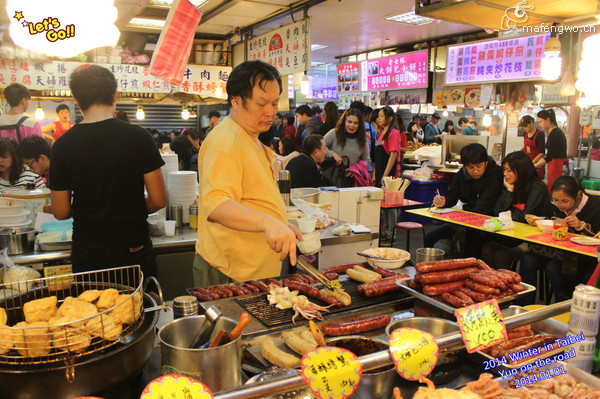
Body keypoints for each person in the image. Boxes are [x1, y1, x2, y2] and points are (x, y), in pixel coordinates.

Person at [49, 64, 167, 278]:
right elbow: (159, 200)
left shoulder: (62, 146)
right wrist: (134, 209)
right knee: (142, 309)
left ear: (76, 99)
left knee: (95, 308)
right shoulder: (139, 137)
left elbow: (61, 211)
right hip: (133, 248)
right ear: (114, 95)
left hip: (88, 252)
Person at [194, 60, 302, 286]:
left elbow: (251, 198)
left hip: (251, 272)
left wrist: (279, 223)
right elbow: (216, 205)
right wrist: (268, 223)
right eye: (261, 103)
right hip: (229, 275)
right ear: (236, 100)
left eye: (274, 103)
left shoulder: (248, 136)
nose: (270, 112)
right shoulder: (226, 142)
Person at [520, 176, 600, 303]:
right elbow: (547, 218)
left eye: (565, 201)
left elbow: (596, 234)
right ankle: (524, 306)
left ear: (578, 195)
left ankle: (561, 308)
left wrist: (581, 226)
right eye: (555, 200)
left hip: (580, 257)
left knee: (555, 268)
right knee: (528, 259)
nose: (559, 205)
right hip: (554, 250)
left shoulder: (595, 206)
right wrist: (539, 220)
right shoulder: (551, 203)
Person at [424, 143, 503, 252]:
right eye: (470, 167)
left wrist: (463, 221)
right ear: (465, 165)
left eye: (478, 166)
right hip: (466, 220)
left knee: (471, 239)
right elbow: (453, 193)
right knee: (429, 237)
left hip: (488, 223)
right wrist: (444, 200)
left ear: (486, 163)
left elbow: (485, 205)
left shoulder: (496, 174)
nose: (475, 171)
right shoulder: (463, 173)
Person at [480, 151, 549, 269]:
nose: (505, 174)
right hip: (509, 237)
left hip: (529, 240)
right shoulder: (511, 185)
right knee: (486, 250)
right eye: (504, 170)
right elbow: (497, 212)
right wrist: (509, 192)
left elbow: (524, 217)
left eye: (509, 170)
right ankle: (491, 284)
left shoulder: (537, 188)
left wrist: (508, 214)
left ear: (521, 170)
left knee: (500, 255)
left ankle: (507, 286)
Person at [534, 109, 567, 193]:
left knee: (554, 190)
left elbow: (549, 156)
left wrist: (535, 165)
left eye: (541, 122)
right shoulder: (555, 132)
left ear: (548, 120)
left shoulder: (555, 133)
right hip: (554, 165)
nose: (540, 125)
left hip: (556, 166)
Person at [373, 106, 402, 187]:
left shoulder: (393, 133)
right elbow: (377, 156)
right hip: (380, 170)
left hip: (389, 174)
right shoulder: (381, 133)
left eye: (382, 116)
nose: (379, 118)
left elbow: (393, 155)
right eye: (378, 116)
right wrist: (375, 174)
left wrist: (385, 175)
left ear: (390, 118)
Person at [519, 115, 545, 179]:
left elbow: (542, 153)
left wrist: (532, 163)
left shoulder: (540, 134)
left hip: (537, 164)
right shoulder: (525, 133)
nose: (524, 128)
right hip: (528, 161)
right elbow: (526, 146)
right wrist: (518, 153)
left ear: (531, 123)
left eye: (525, 126)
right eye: (523, 127)